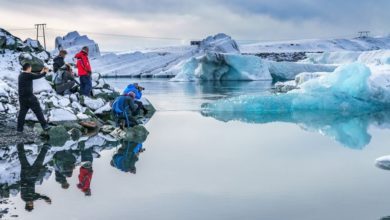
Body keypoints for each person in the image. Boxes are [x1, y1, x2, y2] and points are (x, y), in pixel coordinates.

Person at [17, 143, 52, 212]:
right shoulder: (33, 198)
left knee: (23, 160)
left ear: (27, 204)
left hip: (25, 176)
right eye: (32, 205)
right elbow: (41, 197)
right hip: (33, 177)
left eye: (30, 205)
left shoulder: (24, 198)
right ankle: (45, 148)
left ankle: (19, 145)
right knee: (39, 162)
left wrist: (27, 184)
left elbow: (23, 187)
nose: (31, 204)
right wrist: (47, 199)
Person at [17, 63, 50, 133]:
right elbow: (37, 76)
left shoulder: (21, 75)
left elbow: (34, 75)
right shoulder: (28, 75)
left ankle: (19, 129)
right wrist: (45, 73)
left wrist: (41, 72)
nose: (31, 69)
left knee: (22, 114)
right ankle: (45, 126)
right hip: (29, 97)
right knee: (38, 111)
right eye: (31, 68)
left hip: (22, 98)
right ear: (28, 68)